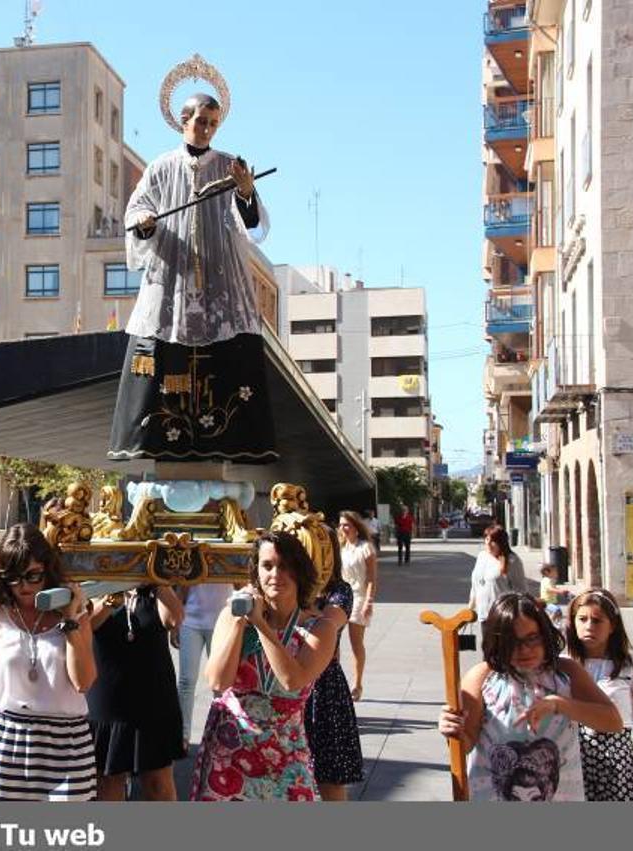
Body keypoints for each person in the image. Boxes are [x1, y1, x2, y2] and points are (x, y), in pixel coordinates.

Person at [108, 85, 276, 465]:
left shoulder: (231, 165)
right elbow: (136, 211)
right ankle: (161, 438)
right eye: (201, 121)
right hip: (173, 283)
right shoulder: (161, 167)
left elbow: (251, 225)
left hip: (221, 283)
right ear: (184, 121)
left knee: (226, 366)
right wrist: (144, 221)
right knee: (164, 363)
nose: (207, 129)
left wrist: (245, 193)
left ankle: (229, 440)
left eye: (214, 123)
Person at [0, 524, 96, 801]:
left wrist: (69, 619)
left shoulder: (75, 615)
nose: (23, 586)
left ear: (47, 570)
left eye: (33, 576)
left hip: (67, 744)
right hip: (5, 740)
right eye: (12, 577)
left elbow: (83, 682)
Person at [190, 532, 339, 801]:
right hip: (230, 750)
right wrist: (239, 622)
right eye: (267, 566)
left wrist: (260, 624)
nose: (275, 574)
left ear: (299, 570)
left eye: (284, 566)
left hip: (286, 753)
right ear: (256, 571)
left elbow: (292, 680)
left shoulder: (319, 628)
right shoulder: (234, 617)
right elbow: (217, 681)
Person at [438, 593, 621, 800]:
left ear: (545, 635)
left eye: (532, 638)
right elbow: (465, 743)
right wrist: (452, 728)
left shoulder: (566, 672)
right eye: (512, 642)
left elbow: (613, 721)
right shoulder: (482, 677)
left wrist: (560, 705)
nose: (524, 649)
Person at [86, 584, 184, 800]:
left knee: (158, 785)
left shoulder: (155, 589)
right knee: (108, 782)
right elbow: (86, 625)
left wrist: (158, 581)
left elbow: (174, 620)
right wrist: (112, 597)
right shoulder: (96, 584)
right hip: (108, 699)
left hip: (153, 697)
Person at [563, 589, 633, 801]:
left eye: (597, 620)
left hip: (619, 766)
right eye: (582, 619)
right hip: (573, 763)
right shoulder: (562, 665)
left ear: (612, 625)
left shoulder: (628, 665)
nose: (589, 626)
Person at [304, 527, 365, 800]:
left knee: (329, 777)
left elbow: (331, 621)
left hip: (323, 689)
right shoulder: (289, 586)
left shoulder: (340, 590)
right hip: (285, 687)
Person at [176, 582, 232, 750]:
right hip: (190, 619)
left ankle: (220, 732)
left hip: (222, 620)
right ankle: (182, 735)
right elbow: (182, 583)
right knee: (186, 681)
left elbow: (241, 582)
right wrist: (176, 620)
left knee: (220, 684)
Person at [337, 510, 377, 702]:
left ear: (356, 527)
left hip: (359, 597)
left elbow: (371, 578)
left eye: (346, 524)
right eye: (341, 524)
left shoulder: (366, 548)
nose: (343, 528)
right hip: (341, 597)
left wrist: (369, 601)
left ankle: (357, 684)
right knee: (332, 640)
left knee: (356, 643)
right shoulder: (341, 548)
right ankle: (336, 683)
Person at [469, 527, 528, 648]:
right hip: (484, 614)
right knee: (488, 652)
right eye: (487, 539)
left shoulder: (512, 560)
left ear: (501, 542)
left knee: (502, 652)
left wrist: (518, 614)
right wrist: (470, 607)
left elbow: (521, 591)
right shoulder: (482, 556)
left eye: (493, 541)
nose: (488, 544)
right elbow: (476, 584)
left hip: (503, 616)